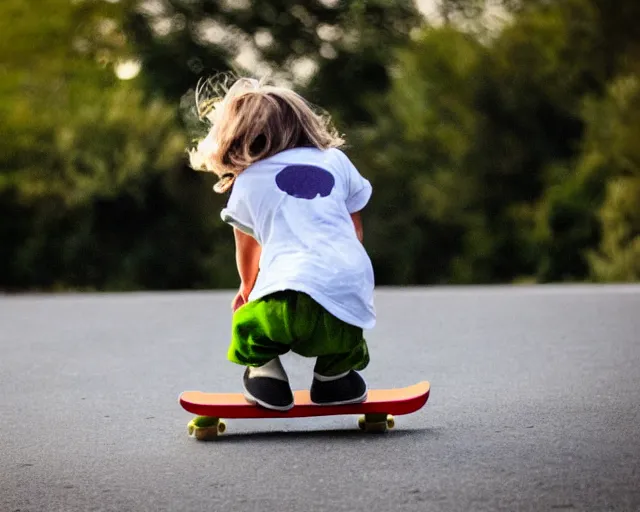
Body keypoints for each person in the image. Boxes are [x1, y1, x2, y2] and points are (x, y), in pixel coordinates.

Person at [188, 76, 375, 411]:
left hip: (286, 295)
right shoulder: (336, 161)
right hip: (347, 291)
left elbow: (248, 249)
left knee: (253, 328)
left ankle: (266, 377)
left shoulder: (247, 180)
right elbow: (353, 230)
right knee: (341, 338)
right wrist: (346, 278)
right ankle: (335, 379)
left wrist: (248, 290)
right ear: (306, 121)